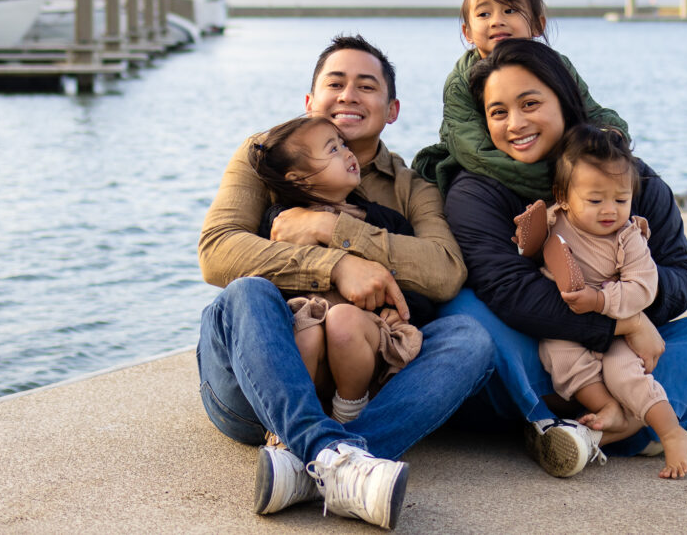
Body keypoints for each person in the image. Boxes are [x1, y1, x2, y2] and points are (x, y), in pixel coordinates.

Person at [197, 35, 494, 529]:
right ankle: (339, 460)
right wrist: (331, 268)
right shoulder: (263, 156)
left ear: (391, 108)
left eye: (367, 86)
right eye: (335, 83)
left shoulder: (410, 187)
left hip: (355, 398)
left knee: (471, 339)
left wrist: (336, 232)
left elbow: (445, 271)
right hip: (252, 393)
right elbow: (217, 252)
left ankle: (313, 461)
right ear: (311, 101)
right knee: (247, 292)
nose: (349, 95)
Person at [441, 38, 687, 479]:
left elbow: (680, 276)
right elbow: (511, 292)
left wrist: (621, 298)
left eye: (530, 103)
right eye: (498, 112)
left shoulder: (630, 179)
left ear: (565, 101)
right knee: (468, 314)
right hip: (534, 354)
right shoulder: (477, 191)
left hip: (622, 355)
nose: (516, 123)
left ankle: (589, 430)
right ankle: (619, 422)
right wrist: (622, 321)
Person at [514, 124, 687, 479]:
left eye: (621, 200)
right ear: (563, 197)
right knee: (560, 359)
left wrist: (600, 299)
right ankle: (608, 408)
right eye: (595, 201)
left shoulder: (628, 237)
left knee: (626, 374)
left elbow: (644, 288)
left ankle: (672, 431)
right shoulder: (555, 219)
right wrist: (526, 231)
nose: (610, 210)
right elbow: (528, 250)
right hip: (565, 324)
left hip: (615, 326)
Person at [247, 115, 430, 425]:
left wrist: (402, 310)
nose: (347, 153)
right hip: (310, 352)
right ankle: (297, 422)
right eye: (332, 149)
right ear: (299, 179)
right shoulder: (282, 223)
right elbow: (269, 277)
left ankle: (348, 415)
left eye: (343, 144)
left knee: (343, 320)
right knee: (305, 328)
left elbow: (415, 283)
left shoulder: (383, 221)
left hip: (363, 343)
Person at [412, 0, 628, 200]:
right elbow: (472, 148)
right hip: (485, 171)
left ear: (538, 24)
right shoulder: (460, 81)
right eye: (484, 14)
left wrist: (609, 140)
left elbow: (591, 113)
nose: (497, 21)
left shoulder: (556, 67)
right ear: (467, 31)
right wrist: (557, 176)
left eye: (510, 10)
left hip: (548, 157)